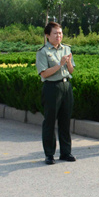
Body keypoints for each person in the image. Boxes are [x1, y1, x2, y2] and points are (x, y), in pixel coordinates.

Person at [35, 22, 75, 165]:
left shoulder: (66, 49)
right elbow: (44, 73)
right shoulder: (43, 52)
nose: (59, 36)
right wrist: (59, 64)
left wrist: (68, 63)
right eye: (55, 33)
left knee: (65, 120)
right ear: (47, 35)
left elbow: (71, 70)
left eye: (60, 33)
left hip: (66, 86)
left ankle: (66, 152)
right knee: (50, 121)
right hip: (52, 87)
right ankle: (49, 154)